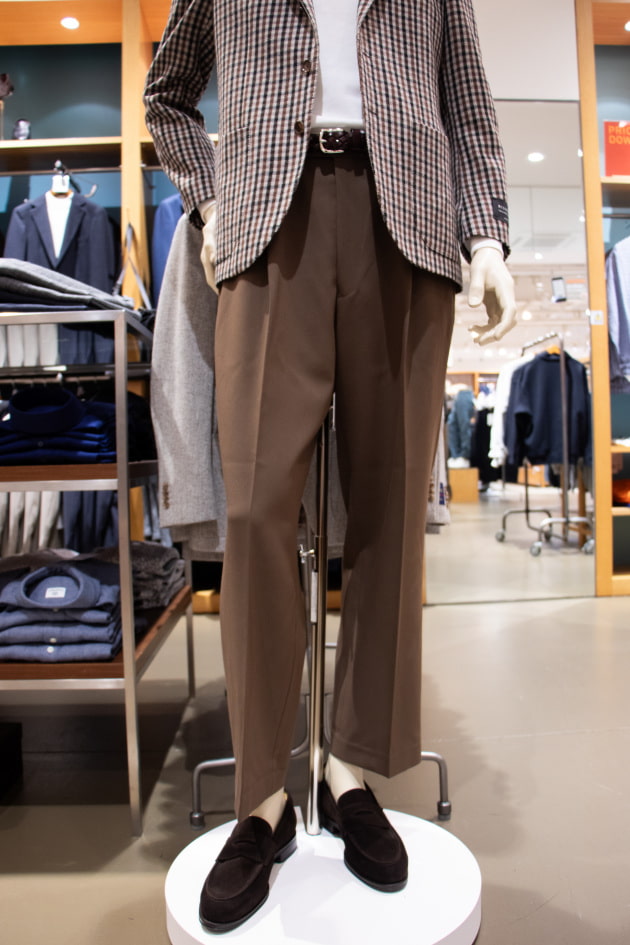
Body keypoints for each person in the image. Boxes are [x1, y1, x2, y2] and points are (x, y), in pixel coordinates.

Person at [144, 0, 517, 932]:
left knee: (388, 509)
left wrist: (487, 236)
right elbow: (167, 96)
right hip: (270, 220)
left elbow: (468, 107)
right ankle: (263, 795)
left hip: (408, 224)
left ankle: (349, 767)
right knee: (255, 509)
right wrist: (210, 197)